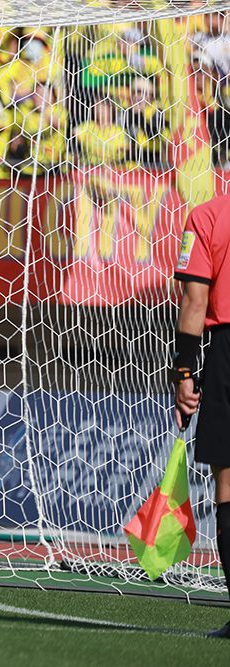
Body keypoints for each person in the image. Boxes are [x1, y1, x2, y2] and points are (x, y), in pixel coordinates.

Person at [172, 194, 230, 639]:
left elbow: (195, 300)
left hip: (227, 352)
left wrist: (184, 373)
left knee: (228, 484)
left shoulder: (208, 216)